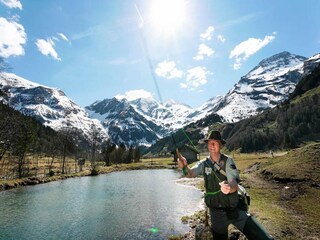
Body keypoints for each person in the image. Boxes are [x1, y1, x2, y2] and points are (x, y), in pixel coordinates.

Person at [177, 130, 274, 240]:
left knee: (263, 237)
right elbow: (190, 174)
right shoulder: (204, 164)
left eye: (215, 143)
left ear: (220, 145)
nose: (212, 146)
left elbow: (234, 183)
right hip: (216, 214)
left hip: (235, 210)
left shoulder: (228, 161)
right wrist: (184, 167)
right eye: (209, 143)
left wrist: (229, 188)